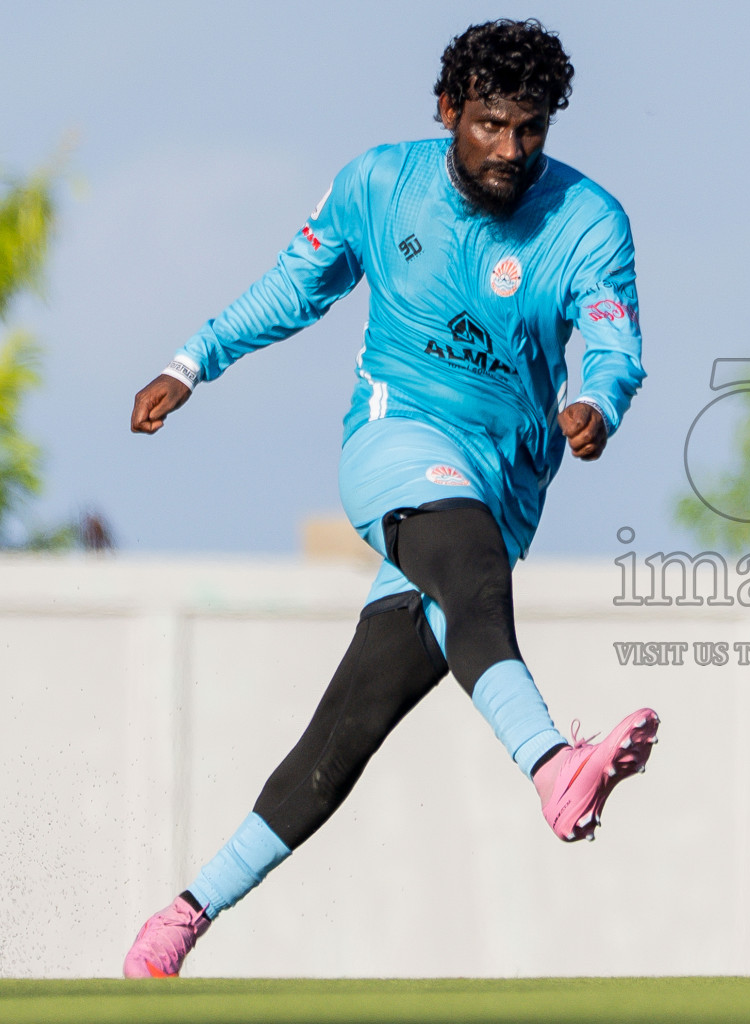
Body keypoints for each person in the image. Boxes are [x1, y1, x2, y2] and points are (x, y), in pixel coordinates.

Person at [121, 19, 658, 978]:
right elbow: (294, 287)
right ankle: (553, 766)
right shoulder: (378, 184)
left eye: (531, 130)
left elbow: (614, 339)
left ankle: (182, 916)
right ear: (449, 109)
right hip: (395, 438)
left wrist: (595, 402)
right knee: (473, 570)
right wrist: (190, 361)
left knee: (350, 727)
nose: (511, 151)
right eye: (491, 124)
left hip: (509, 479)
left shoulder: (588, 221)